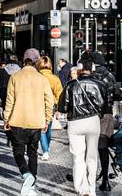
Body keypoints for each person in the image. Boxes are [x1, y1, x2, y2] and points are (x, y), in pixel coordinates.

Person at [3, 48, 54, 196]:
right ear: (37, 61)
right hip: (36, 122)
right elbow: (49, 101)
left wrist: (6, 118)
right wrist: (47, 119)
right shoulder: (42, 79)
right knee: (32, 153)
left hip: (17, 121)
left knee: (18, 152)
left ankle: (27, 175)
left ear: (23, 60)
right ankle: (32, 185)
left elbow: (10, 101)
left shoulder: (15, 77)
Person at [58, 59, 108, 196]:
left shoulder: (70, 85)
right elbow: (104, 106)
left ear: (79, 70)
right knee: (92, 156)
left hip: (75, 123)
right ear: (92, 69)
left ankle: (82, 189)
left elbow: (62, 107)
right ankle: (92, 189)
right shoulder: (100, 84)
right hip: (93, 122)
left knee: (78, 157)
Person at [82, 51, 116, 192]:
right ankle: (105, 181)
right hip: (106, 114)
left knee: (87, 147)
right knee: (103, 147)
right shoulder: (110, 76)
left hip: (90, 114)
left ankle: (87, 178)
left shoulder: (91, 75)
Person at [35, 56, 63, 161]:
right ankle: (47, 147)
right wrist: (58, 107)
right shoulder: (55, 78)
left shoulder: (37, 77)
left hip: (39, 105)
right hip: (51, 106)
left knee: (41, 128)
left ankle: (45, 150)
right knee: (48, 128)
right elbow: (59, 94)